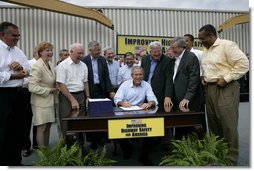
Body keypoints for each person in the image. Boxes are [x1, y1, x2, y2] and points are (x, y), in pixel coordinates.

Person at [198, 24, 249, 165]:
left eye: (202, 38)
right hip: (210, 89)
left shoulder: (227, 45)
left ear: (212, 36)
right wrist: (204, 77)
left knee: (228, 125)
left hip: (226, 88)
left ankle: (231, 159)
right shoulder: (206, 50)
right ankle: (218, 155)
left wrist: (226, 79)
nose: (201, 41)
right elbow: (209, 68)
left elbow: (244, 64)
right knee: (214, 124)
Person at [0, 21, 30, 166]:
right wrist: (12, 76)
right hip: (3, 96)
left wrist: (21, 68)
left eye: (18, 36)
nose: (17, 38)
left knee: (19, 130)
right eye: (14, 36)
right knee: (4, 131)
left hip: (19, 95)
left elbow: (29, 69)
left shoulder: (18, 51)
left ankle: (16, 162)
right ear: (2, 35)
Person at [114, 66, 158, 165]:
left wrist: (150, 103)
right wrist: (122, 103)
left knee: (152, 128)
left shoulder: (146, 85)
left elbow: (153, 99)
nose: (138, 77)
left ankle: (144, 155)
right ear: (132, 76)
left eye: (140, 75)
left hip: (140, 112)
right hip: (125, 112)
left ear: (143, 75)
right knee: (116, 128)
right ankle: (127, 148)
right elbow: (117, 99)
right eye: (136, 75)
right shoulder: (125, 85)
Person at [81, 40, 114, 149]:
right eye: (97, 50)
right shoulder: (84, 60)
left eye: (99, 50)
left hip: (101, 89)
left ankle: (101, 137)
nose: (99, 52)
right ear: (90, 50)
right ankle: (92, 140)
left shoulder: (102, 60)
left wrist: (110, 91)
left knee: (102, 113)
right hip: (90, 90)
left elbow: (106, 76)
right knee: (91, 115)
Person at [57, 43, 90, 141]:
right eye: (78, 53)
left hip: (81, 95)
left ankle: (80, 147)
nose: (81, 56)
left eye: (82, 53)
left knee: (80, 122)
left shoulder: (83, 65)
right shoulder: (63, 66)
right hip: (66, 96)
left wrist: (87, 97)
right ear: (71, 52)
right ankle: (67, 149)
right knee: (66, 123)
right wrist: (72, 100)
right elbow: (61, 84)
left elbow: (85, 82)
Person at [29, 41, 58, 148]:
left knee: (49, 126)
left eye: (51, 50)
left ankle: (46, 150)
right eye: (47, 50)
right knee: (42, 128)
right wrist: (49, 90)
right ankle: (43, 155)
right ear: (40, 52)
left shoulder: (50, 64)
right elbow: (32, 87)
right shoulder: (37, 66)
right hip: (40, 103)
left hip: (49, 101)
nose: (50, 52)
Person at [170, 37, 202, 112]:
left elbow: (194, 80)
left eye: (173, 48)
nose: (171, 50)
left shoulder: (191, 57)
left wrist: (187, 98)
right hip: (176, 99)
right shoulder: (173, 59)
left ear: (181, 47)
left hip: (188, 101)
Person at [141, 41, 174, 111]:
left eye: (159, 51)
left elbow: (169, 80)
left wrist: (168, 96)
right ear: (150, 52)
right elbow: (142, 76)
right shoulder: (144, 59)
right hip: (145, 93)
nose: (157, 54)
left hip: (160, 94)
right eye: (154, 52)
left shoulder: (167, 61)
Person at [21, 47, 39, 157]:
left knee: (38, 120)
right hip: (27, 93)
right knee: (26, 121)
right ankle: (25, 146)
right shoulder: (28, 63)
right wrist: (34, 81)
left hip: (39, 94)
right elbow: (23, 80)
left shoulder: (46, 64)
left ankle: (37, 146)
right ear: (36, 53)